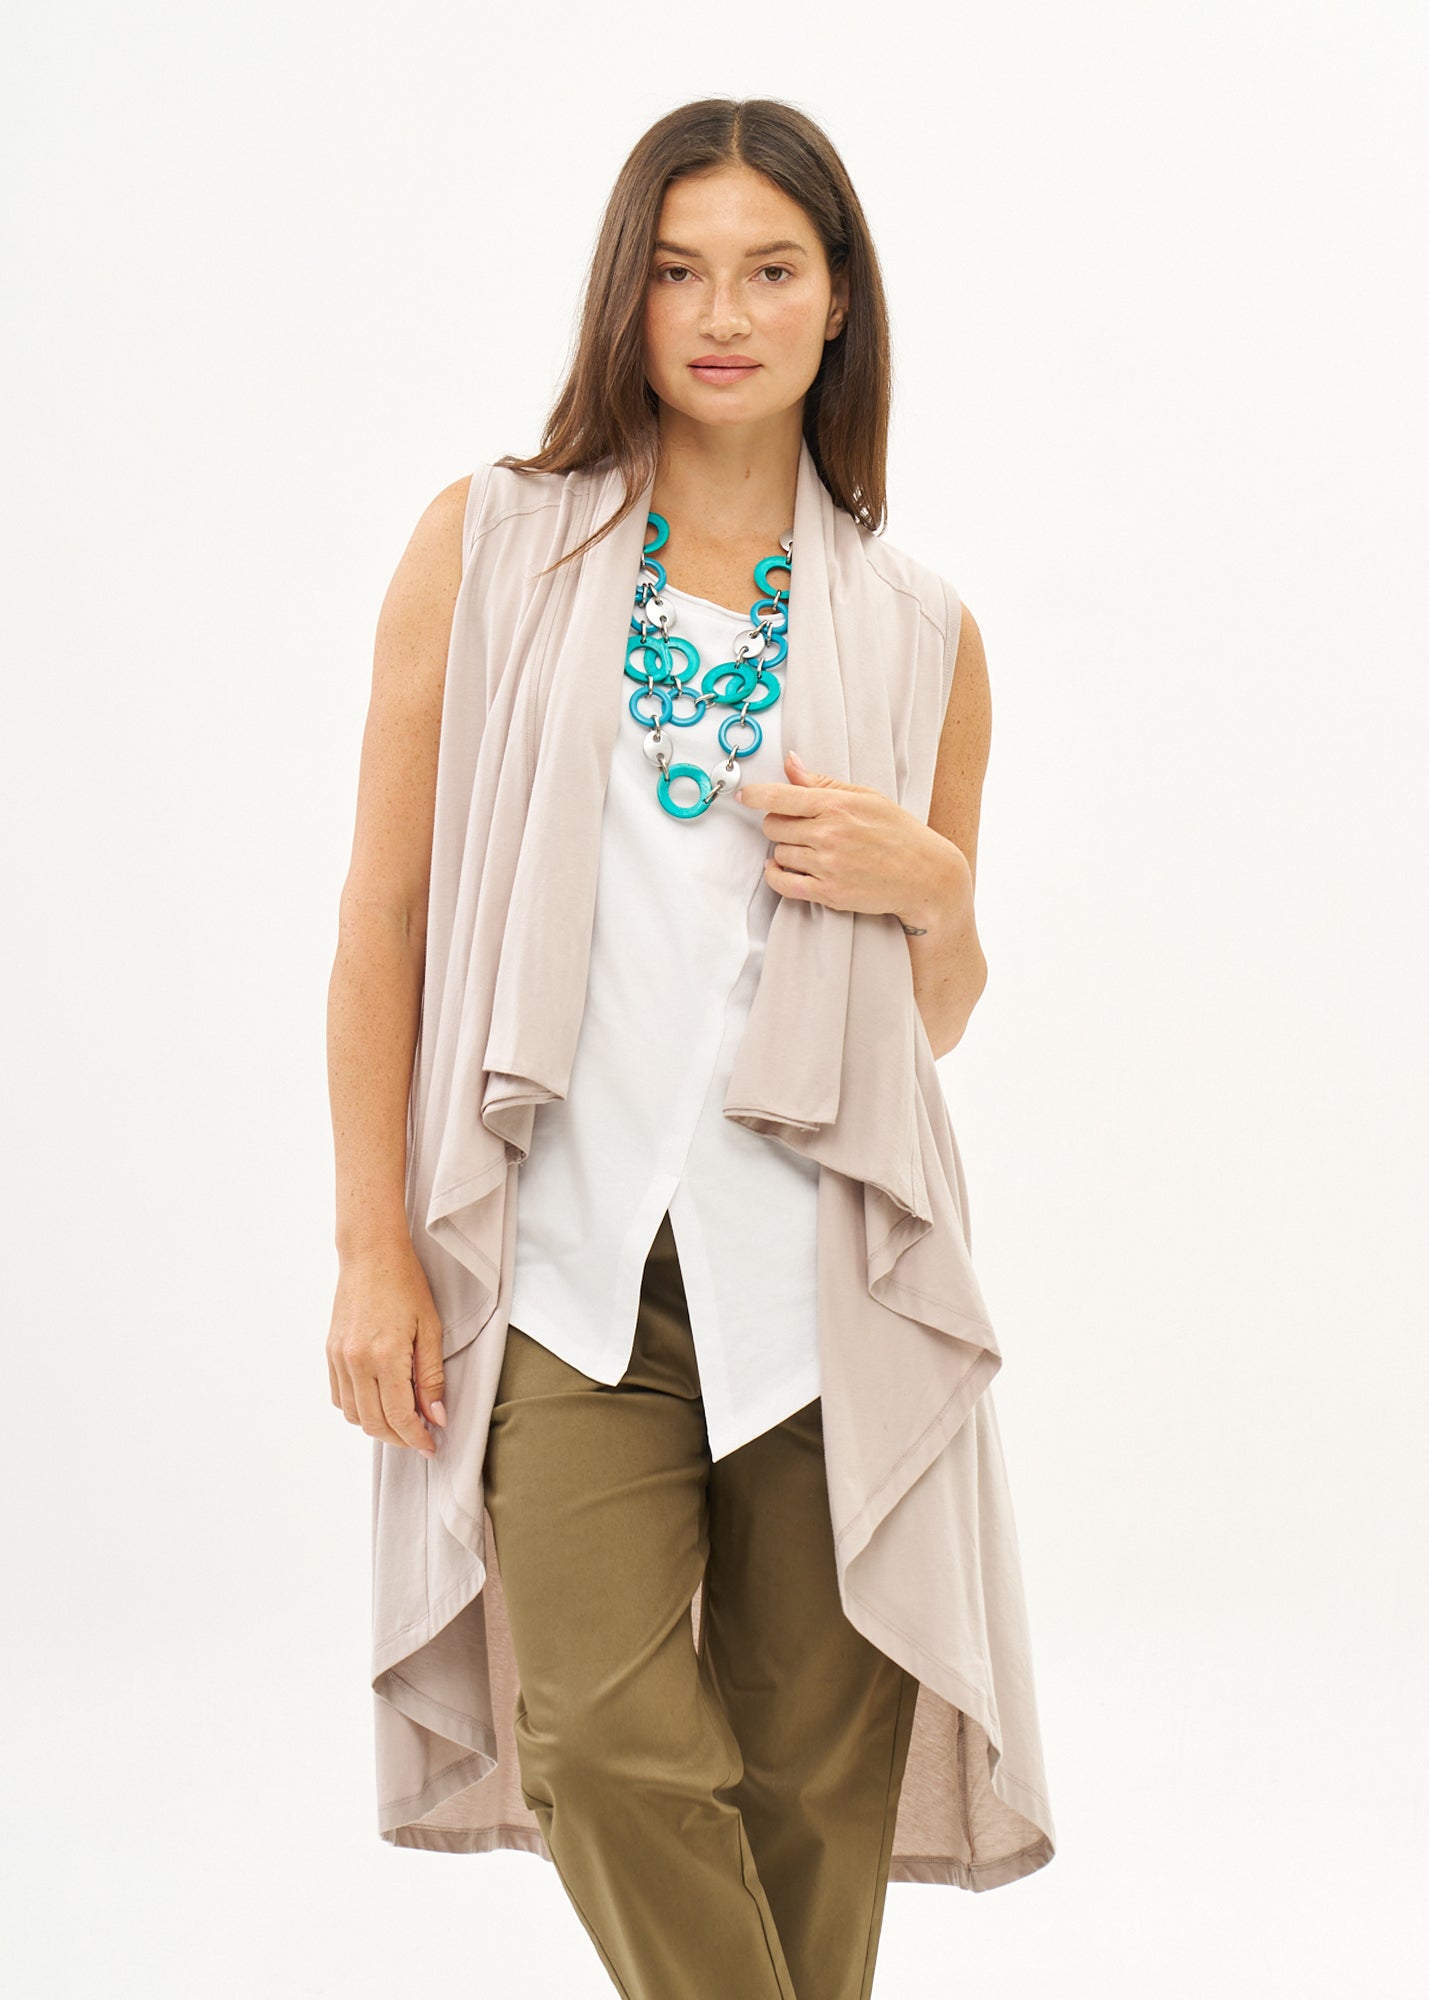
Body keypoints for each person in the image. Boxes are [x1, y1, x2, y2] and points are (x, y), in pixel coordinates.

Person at [327, 97, 1051, 2000]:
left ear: (838, 303)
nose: (720, 313)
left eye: (768, 269)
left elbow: (936, 1018)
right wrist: (371, 1244)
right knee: (603, 1742)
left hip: (821, 1277)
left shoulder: (918, 627)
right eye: (675, 269)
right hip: (565, 1271)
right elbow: (385, 921)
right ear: (622, 296)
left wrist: (929, 890)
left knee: (814, 1786)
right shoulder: (493, 546)